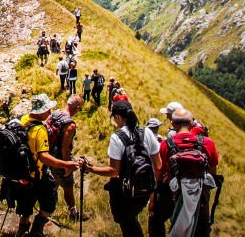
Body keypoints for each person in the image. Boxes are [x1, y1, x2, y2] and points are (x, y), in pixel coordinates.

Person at [80, 100, 162, 237]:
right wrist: (151, 189)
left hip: (126, 191)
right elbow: (158, 165)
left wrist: (89, 168)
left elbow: (114, 171)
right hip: (145, 188)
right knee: (132, 220)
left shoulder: (117, 138)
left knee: (128, 224)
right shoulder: (147, 132)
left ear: (117, 117)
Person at [13, 94, 82, 237]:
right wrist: (66, 164)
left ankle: (23, 228)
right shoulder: (40, 130)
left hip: (21, 171)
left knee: (26, 202)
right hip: (37, 172)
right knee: (50, 200)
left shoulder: (23, 120)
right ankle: (37, 229)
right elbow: (44, 157)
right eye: (47, 110)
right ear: (41, 110)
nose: (50, 113)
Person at [154, 108, 220, 237]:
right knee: (201, 229)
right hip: (201, 197)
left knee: (170, 224)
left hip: (175, 195)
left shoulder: (166, 145)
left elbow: (159, 174)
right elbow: (213, 173)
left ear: (172, 124)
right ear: (191, 123)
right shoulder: (207, 143)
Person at [50, 95, 84, 222]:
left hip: (49, 158)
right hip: (61, 160)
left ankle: (46, 208)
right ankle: (73, 214)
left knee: (54, 184)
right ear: (77, 108)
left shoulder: (55, 114)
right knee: (68, 186)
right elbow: (65, 148)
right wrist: (67, 166)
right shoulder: (70, 125)